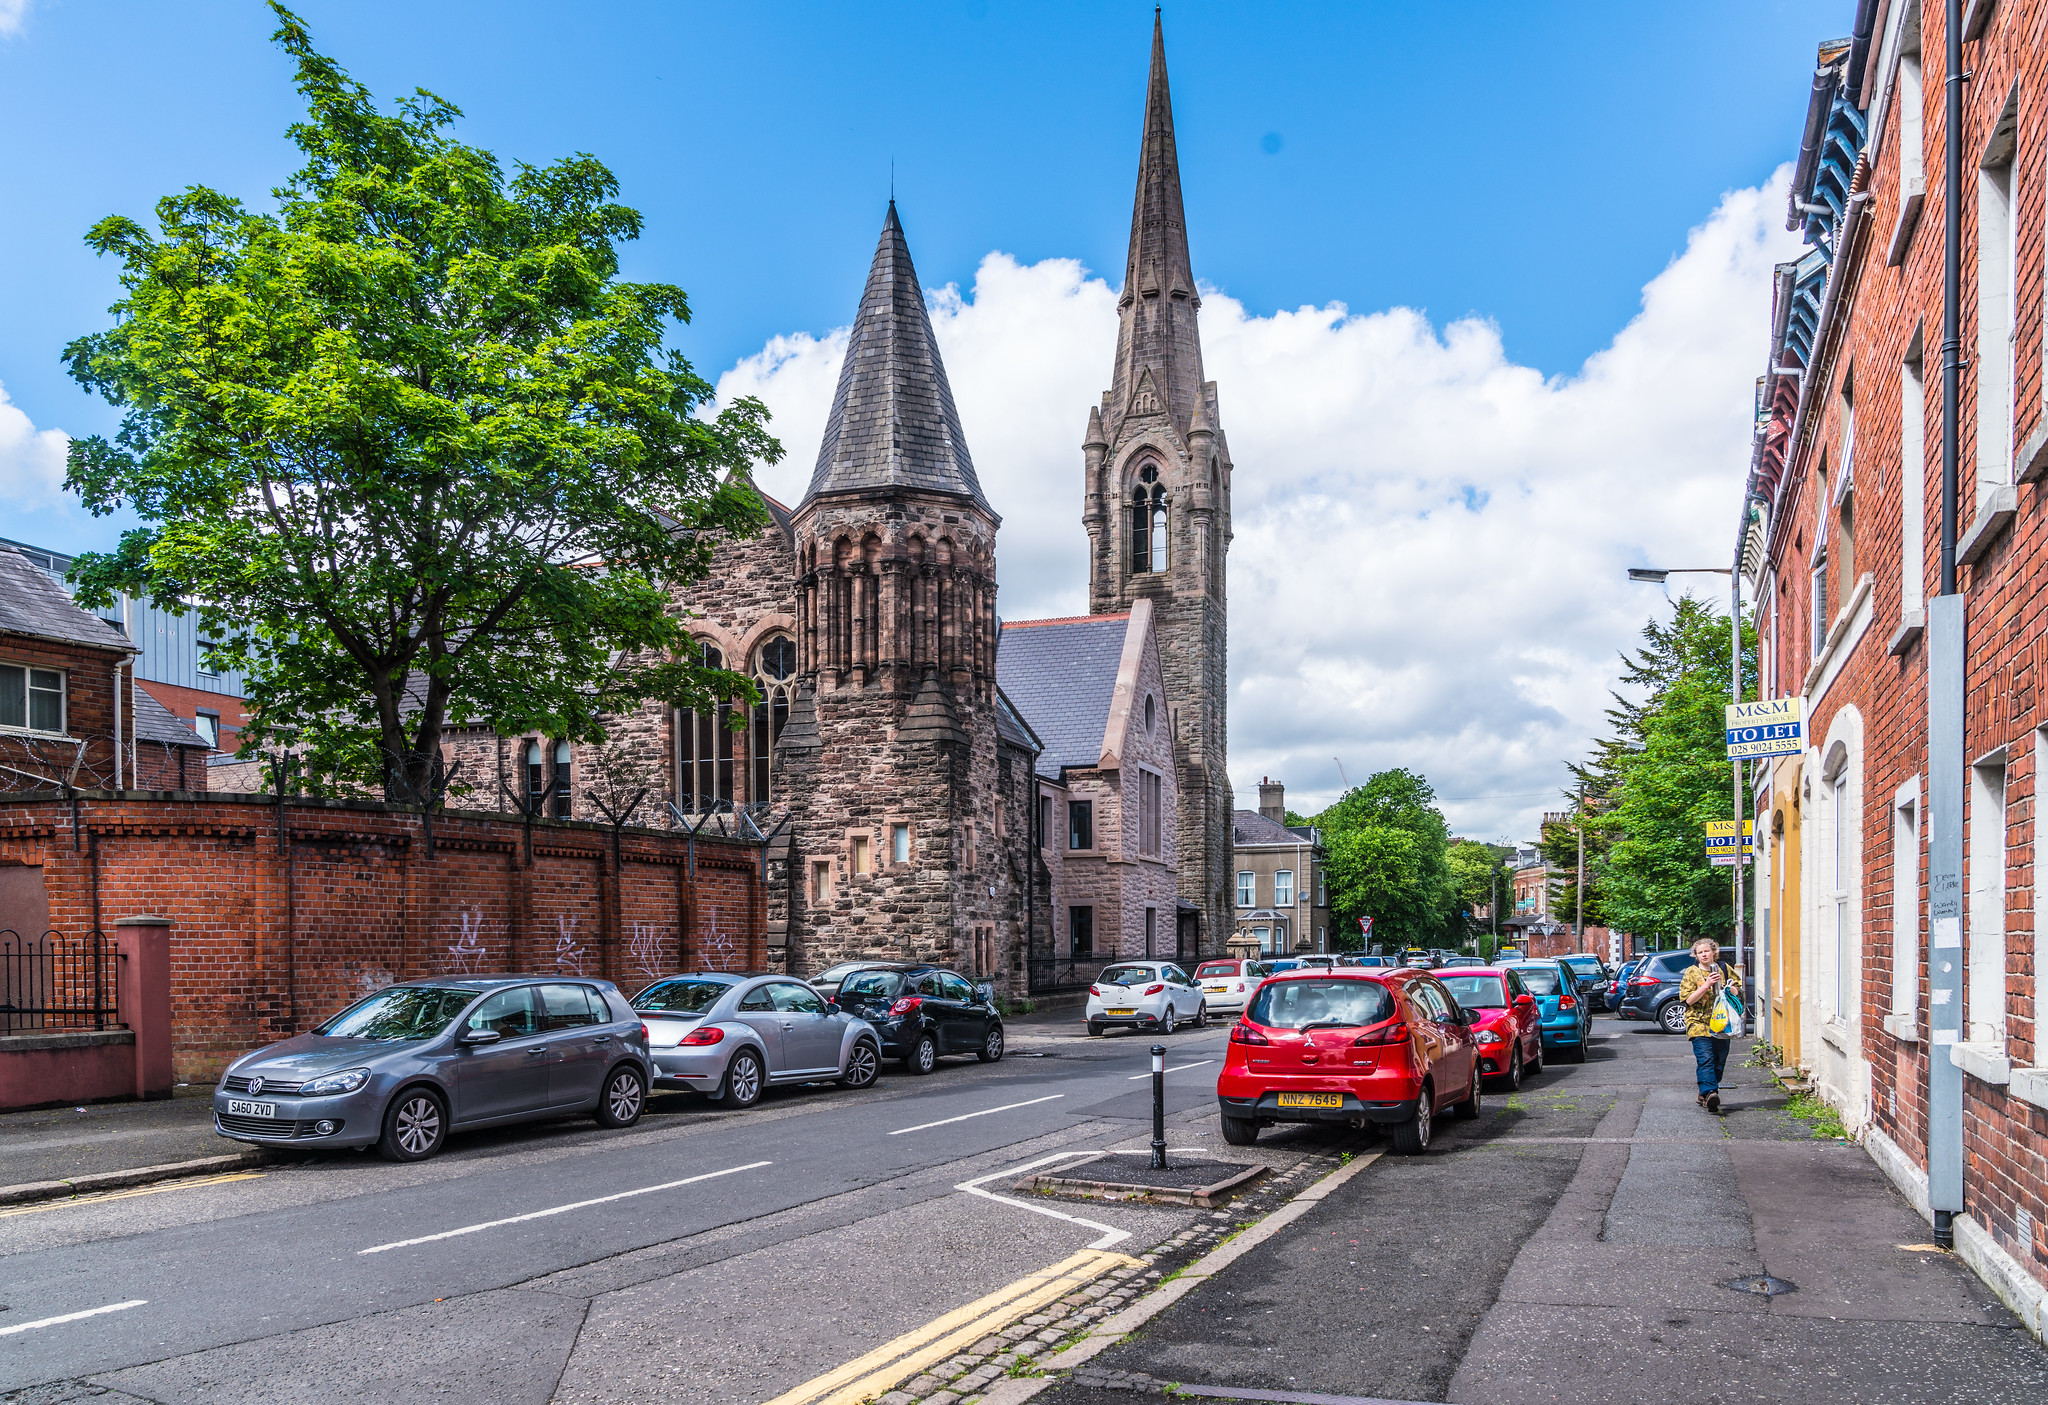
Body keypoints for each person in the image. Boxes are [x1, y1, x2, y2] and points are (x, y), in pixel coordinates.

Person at [1679, 937, 1743, 1113]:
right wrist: (1707, 984)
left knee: (1719, 1061)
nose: (1704, 955)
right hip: (1698, 1023)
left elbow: (1739, 992)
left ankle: (1704, 1092)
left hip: (1722, 1024)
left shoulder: (1724, 969)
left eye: (1706, 951)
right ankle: (1710, 1094)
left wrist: (1727, 988)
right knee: (1705, 1059)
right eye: (1700, 952)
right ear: (1696, 956)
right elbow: (1688, 1000)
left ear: (1714, 952)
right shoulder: (1691, 973)